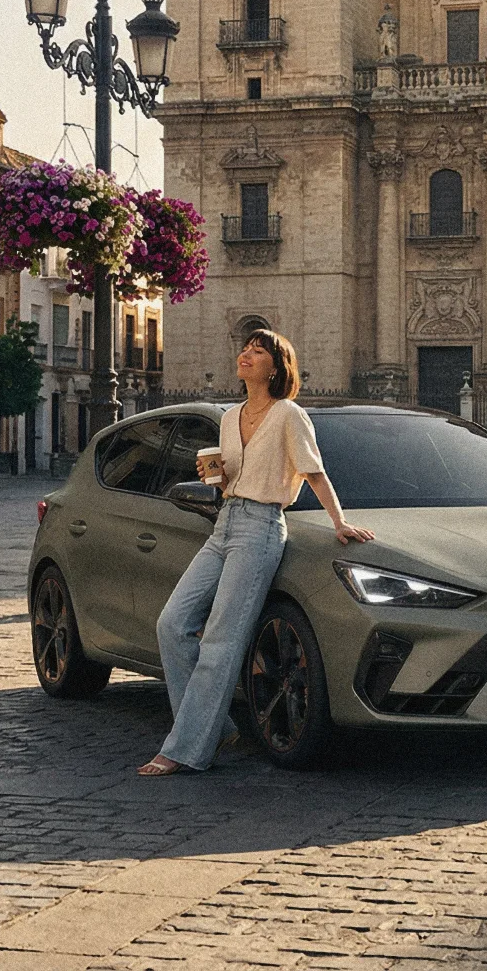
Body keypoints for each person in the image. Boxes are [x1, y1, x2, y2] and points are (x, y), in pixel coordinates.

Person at [138, 330, 374, 776]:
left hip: (261, 528)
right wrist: (217, 477)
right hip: (225, 522)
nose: (246, 354)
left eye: (258, 350)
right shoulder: (229, 419)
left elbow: (314, 473)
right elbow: (230, 483)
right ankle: (215, 726)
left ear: (276, 366)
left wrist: (339, 522)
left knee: (221, 641)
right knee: (172, 624)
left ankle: (185, 749)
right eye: (245, 348)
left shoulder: (289, 415)